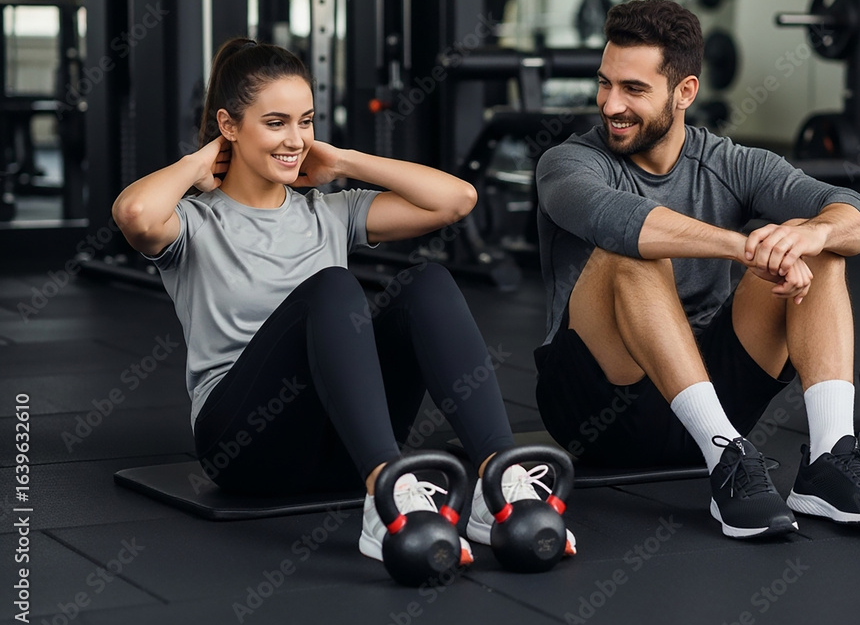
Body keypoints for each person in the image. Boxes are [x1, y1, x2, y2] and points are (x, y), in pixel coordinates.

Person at [112, 38, 575, 566]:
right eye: (276, 122)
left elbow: (457, 200)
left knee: (427, 282)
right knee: (332, 288)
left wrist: (348, 161)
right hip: (246, 447)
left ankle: (499, 484)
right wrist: (198, 163)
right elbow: (134, 214)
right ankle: (384, 498)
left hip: (342, 445)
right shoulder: (196, 222)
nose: (296, 139)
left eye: (306, 121)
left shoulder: (329, 211)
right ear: (229, 125)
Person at [533, 0, 860, 539]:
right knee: (629, 249)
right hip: (598, 408)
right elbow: (620, 220)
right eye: (605, 83)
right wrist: (749, 247)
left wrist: (812, 234)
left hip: (711, 392)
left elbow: (857, 211)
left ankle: (827, 460)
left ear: (685, 92)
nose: (610, 104)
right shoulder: (569, 162)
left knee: (817, 244)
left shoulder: (729, 162)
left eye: (634, 89)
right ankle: (727, 454)